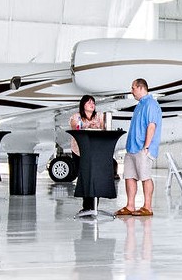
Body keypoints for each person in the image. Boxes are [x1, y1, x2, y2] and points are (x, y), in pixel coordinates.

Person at [116, 78, 160, 217]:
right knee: (129, 176)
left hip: (143, 148)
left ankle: (147, 207)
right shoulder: (139, 105)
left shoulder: (151, 104)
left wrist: (146, 146)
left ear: (141, 88)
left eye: (133, 88)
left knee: (145, 176)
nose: (131, 91)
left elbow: (151, 126)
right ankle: (130, 205)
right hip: (132, 148)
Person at [69, 95, 107, 218]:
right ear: (83, 105)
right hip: (79, 152)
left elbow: (105, 128)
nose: (92, 104)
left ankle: (95, 206)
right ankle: (86, 207)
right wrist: (89, 126)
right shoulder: (76, 117)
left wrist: (97, 126)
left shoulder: (100, 116)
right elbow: (75, 127)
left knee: (95, 178)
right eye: (89, 102)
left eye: (93, 102)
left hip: (96, 152)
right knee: (84, 178)